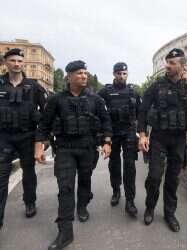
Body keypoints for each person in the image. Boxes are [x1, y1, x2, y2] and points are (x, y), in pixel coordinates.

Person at [34, 60, 112, 250]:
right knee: (66, 188)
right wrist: (38, 147)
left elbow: (105, 121)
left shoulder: (96, 100)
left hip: (87, 149)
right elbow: (44, 125)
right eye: (79, 73)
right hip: (65, 149)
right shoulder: (56, 99)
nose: (84, 76)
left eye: (85, 73)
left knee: (85, 180)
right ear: (69, 77)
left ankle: (83, 205)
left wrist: (107, 142)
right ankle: (65, 232)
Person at [138, 48, 187, 232]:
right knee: (154, 177)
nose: (167, 66)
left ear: (182, 66)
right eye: (167, 62)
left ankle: (170, 214)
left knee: (172, 179)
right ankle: (150, 207)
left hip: (178, 139)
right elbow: (143, 109)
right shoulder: (157, 86)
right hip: (159, 138)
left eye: (171, 63)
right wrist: (143, 134)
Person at [0, 48, 47, 229]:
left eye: (20, 61)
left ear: (23, 63)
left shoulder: (34, 87)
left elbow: (45, 114)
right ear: (5, 63)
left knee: (29, 173)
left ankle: (30, 201)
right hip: (3, 137)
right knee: (1, 177)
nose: (17, 64)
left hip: (27, 136)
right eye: (12, 60)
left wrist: (41, 141)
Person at [98, 62, 141, 217]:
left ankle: (130, 200)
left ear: (127, 74)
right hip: (112, 133)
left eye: (124, 73)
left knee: (130, 166)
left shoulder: (133, 92)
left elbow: (139, 113)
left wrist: (140, 133)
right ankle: (116, 191)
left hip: (129, 132)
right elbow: (97, 110)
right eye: (119, 73)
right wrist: (102, 137)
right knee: (114, 164)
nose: (121, 76)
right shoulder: (105, 92)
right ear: (114, 74)